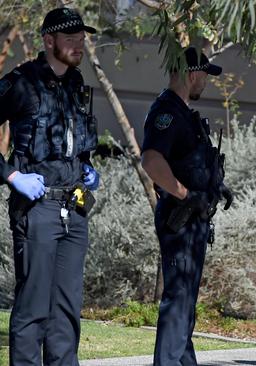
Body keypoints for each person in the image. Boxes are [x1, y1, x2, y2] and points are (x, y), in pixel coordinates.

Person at [0, 8, 100, 365]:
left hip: (74, 210)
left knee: (66, 312)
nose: (79, 46)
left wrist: (88, 170)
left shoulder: (75, 83)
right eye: (70, 39)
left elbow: (72, 142)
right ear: (48, 41)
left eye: (81, 39)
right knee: (33, 309)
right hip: (37, 209)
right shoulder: (21, 82)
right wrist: (12, 176)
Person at [141, 47, 233, 366]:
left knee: (185, 308)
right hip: (178, 219)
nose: (205, 82)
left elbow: (192, 165)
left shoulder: (185, 115)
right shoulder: (166, 112)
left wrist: (215, 189)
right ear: (193, 74)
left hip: (194, 220)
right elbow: (152, 161)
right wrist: (184, 195)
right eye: (205, 75)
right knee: (178, 304)